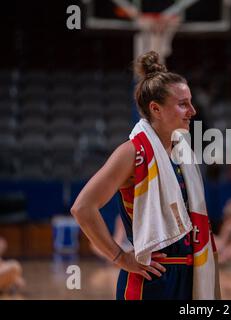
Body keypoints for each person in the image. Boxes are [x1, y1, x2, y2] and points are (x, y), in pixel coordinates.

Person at [71, 51, 220, 300]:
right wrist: (120, 257)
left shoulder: (184, 153)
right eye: (183, 104)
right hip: (150, 277)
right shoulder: (131, 152)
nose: (193, 110)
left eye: (191, 102)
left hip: (189, 274)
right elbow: (83, 208)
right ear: (155, 109)